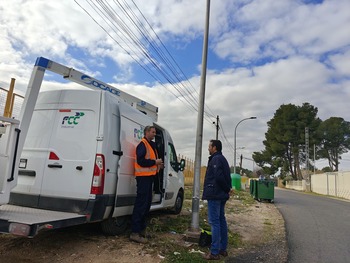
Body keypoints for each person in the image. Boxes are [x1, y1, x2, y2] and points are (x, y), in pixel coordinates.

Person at [130, 125, 163, 244]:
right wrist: (155, 162)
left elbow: (149, 161)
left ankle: (141, 230)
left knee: (146, 205)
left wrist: (157, 164)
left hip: (149, 178)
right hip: (143, 179)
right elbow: (141, 161)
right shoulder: (143, 144)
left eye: (155, 132)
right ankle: (135, 233)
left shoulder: (150, 145)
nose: (155, 134)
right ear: (147, 132)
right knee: (141, 204)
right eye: (153, 132)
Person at [202, 139, 232, 260]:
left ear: (214, 147)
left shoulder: (216, 159)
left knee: (214, 222)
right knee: (221, 221)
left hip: (215, 194)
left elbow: (219, 177)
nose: (208, 148)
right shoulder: (223, 159)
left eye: (209, 146)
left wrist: (226, 189)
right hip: (221, 195)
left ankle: (214, 252)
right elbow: (226, 176)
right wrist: (227, 189)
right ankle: (222, 249)